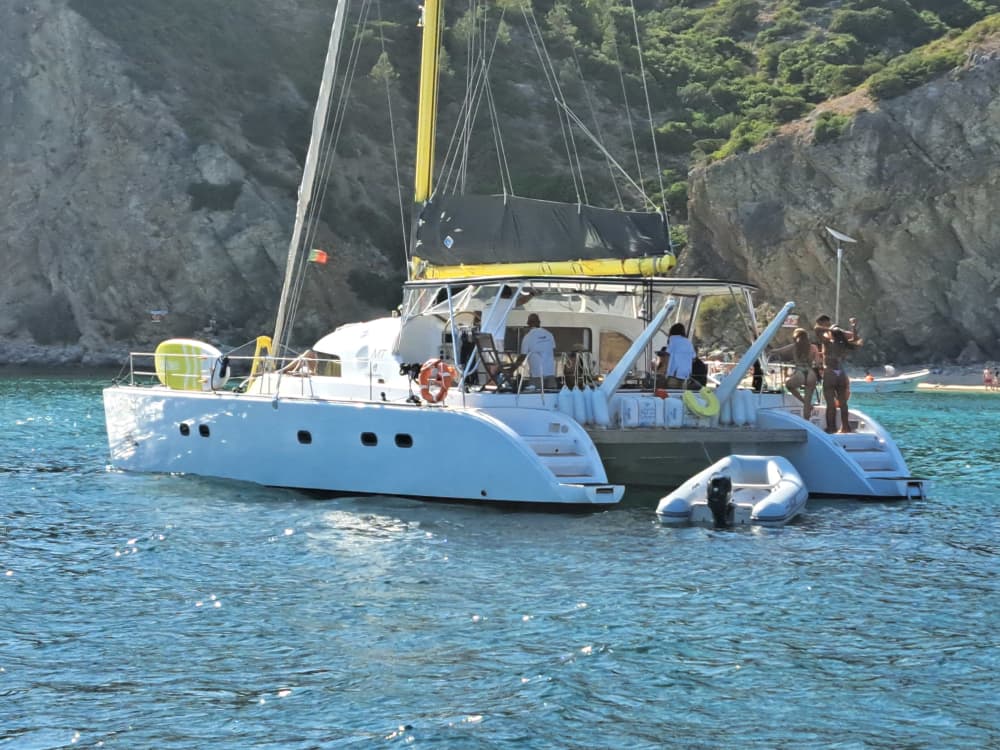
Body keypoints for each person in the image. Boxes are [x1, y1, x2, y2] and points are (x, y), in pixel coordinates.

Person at [814, 314, 863, 433]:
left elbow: (816, 329)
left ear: (832, 333)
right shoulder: (844, 344)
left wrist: (830, 329)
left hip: (830, 371)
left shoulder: (828, 342)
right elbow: (855, 338)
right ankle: (845, 427)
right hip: (840, 372)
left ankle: (831, 428)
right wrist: (853, 326)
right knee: (843, 403)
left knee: (830, 404)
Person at [770, 327, 819, 420]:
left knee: (788, 385)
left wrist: (770, 351)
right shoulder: (814, 347)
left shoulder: (794, 346)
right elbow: (817, 363)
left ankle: (803, 401)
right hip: (811, 373)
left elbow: (778, 351)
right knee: (808, 401)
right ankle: (807, 422)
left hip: (800, 372)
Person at [520, 313, 555, 381]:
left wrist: (512, 369)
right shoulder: (549, 334)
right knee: (551, 387)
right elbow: (553, 350)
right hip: (550, 374)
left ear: (528, 323)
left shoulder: (527, 337)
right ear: (539, 322)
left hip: (536, 375)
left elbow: (522, 356)